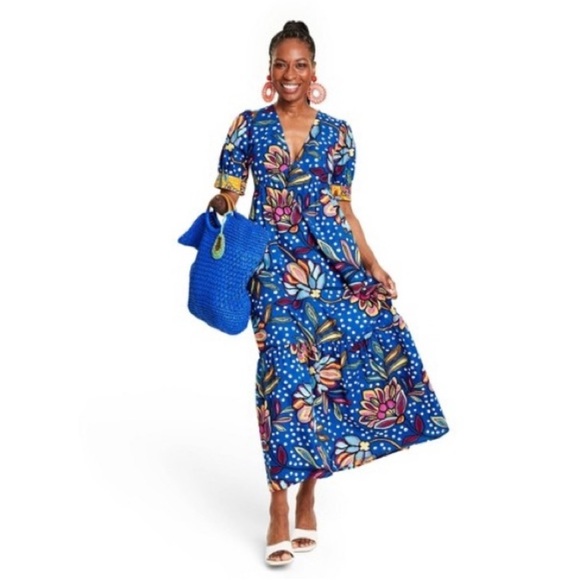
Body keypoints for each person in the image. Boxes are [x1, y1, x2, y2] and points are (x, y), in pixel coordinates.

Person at [207, 20, 450, 567]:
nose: (290, 74)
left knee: (340, 365)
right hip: (272, 264)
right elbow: (229, 188)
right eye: (281, 64)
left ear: (314, 71)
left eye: (300, 64)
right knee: (281, 377)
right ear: (269, 71)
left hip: (330, 263)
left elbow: (344, 209)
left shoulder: (339, 134)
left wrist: (373, 263)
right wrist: (221, 205)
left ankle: (310, 491)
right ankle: (278, 500)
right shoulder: (249, 126)